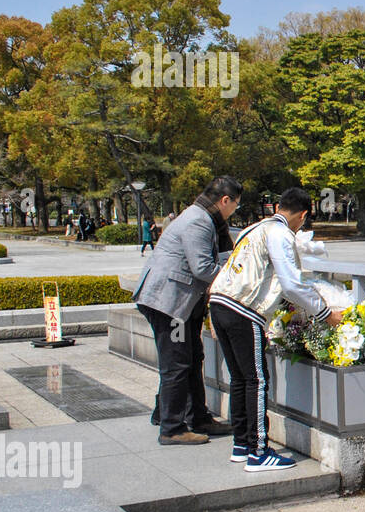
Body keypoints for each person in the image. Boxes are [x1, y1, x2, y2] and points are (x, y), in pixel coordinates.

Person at [209, 187, 342, 471]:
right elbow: (292, 283)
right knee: (256, 380)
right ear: (303, 215)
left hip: (220, 302)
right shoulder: (281, 234)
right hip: (244, 310)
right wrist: (325, 313)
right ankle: (259, 452)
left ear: (279, 206)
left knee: (239, 379)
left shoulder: (253, 228)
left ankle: (241, 445)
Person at [133, 177, 242, 445]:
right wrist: (238, 278)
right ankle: (172, 427)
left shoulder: (200, 216)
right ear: (225, 200)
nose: (234, 211)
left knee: (192, 357)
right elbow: (202, 268)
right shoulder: (199, 221)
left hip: (179, 302)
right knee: (178, 362)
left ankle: (198, 418)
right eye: (235, 205)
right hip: (171, 304)